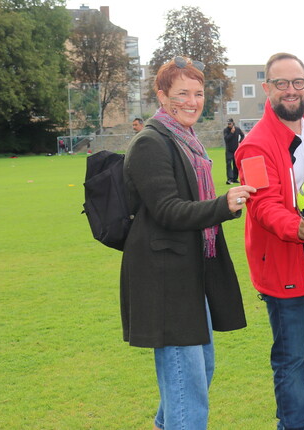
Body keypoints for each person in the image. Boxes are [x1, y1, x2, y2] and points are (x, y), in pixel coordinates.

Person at [120, 56, 254, 430]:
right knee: (186, 379)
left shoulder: (188, 141)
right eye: (182, 93)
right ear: (162, 96)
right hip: (165, 278)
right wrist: (223, 205)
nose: (193, 101)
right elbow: (168, 210)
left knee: (198, 370)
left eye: (198, 93)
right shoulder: (150, 143)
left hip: (190, 273)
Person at [234, 53, 304, 430]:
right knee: (291, 354)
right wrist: (300, 230)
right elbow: (262, 205)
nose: (291, 90)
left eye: (297, 82)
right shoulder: (254, 145)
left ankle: (303, 420)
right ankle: (294, 424)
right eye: (281, 83)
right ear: (267, 88)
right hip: (282, 260)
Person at [224, 118, 245, 184]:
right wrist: (231, 133)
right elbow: (226, 139)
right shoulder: (226, 130)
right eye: (228, 124)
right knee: (228, 164)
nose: (229, 125)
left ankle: (235, 178)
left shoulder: (237, 129)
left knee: (236, 164)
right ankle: (229, 179)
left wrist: (240, 142)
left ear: (233, 123)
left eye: (230, 123)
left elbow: (242, 135)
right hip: (229, 150)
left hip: (236, 150)